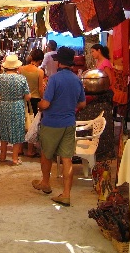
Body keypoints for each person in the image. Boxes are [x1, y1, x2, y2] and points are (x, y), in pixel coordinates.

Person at [32, 47, 86, 207]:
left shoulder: (55, 79)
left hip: (52, 123)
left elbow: (46, 103)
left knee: (46, 155)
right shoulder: (77, 79)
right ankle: (66, 194)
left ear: (59, 62)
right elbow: (82, 103)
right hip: (69, 123)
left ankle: (45, 183)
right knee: (67, 159)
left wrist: (40, 105)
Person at [0, 54, 31, 166]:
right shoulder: (21, 78)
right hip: (17, 105)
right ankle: (15, 158)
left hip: (4, 105)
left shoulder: (0, 78)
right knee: (17, 130)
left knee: (4, 129)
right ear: (16, 66)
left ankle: (2, 155)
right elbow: (28, 96)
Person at [18, 48, 45, 157]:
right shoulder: (40, 72)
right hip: (34, 100)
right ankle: (30, 150)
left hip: (22, 99)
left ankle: (19, 149)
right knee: (32, 125)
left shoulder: (21, 69)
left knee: (21, 123)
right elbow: (40, 89)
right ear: (40, 60)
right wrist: (43, 99)